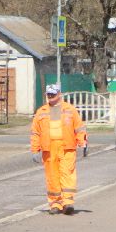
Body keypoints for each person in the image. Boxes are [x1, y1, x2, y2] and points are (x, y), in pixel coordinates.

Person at [30, 83, 88, 214]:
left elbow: (79, 127)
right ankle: (55, 204)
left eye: (53, 94)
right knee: (52, 176)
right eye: (48, 94)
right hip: (49, 149)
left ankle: (68, 203)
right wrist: (35, 149)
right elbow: (35, 132)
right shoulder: (41, 112)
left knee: (67, 174)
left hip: (67, 147)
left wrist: (83, 143)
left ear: (59, 94)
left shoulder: (70, 110)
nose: (50, 96)